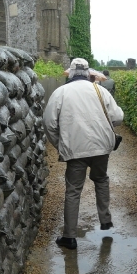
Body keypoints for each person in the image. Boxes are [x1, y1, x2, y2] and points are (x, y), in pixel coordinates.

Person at [43, 58, 124, 250]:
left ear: (70, 73)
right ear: (88, 73)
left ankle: (69, 237)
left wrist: (60, 144)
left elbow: (49, 123)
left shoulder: (60, 92)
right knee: (101, 179)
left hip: (75, 149)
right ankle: (105, 220)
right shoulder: (100, 90)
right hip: (101, 147)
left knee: (73, 190)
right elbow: (119, 117)